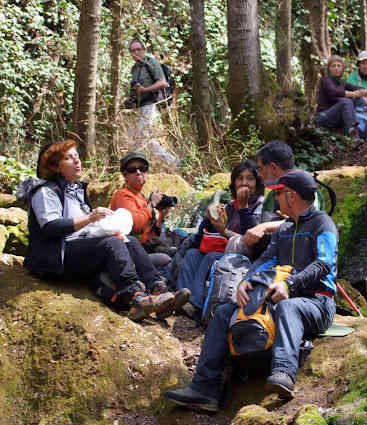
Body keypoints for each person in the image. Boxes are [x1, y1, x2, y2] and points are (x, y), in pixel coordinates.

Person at [164, 170, 338, 411]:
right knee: (224, 312)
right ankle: (205, 389)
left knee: (289, 307)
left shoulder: (323, 223)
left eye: (278, 195)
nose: (275, 200)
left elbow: (323, 264)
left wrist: (290, 284)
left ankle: (284, 373)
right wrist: (246, 280)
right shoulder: (285, 228)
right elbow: (266, 258)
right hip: (276, 296)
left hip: (317, 302)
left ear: (291, 196)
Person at [21, 139, 175, 321]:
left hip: (76, 249)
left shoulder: (75, 190)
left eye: (77, 156)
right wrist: (90, 218)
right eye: (69, 158)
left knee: (129, 241)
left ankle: (158, 290)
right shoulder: (46, 191)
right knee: (112, 243)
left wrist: (102, 223)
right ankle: (135, 298)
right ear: (55, 166)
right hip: (55, 257)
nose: (77, 161)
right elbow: (51, 227)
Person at [175, 161, 265, 316]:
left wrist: (238, 214)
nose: (244, 183)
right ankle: (180, 298)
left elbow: (251, 238)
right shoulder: (229, 206)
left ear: (257, 183)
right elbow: (201, 237)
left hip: (245, 257)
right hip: (222, 249)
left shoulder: (260, 205)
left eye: (250, 178)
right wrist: (208, 220)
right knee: (192, 255)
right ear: (234, 182)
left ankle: (194, 304)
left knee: (211, 257)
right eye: (240, 178)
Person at [225, 140, 324, 259]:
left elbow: (309, 221)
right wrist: (243, 208)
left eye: (261, 169)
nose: (259, 175)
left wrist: (265, 226)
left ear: (273, 167)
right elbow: (256, 238)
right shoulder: (272, 196)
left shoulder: (306, 187)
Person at [125, 39, 178, 166]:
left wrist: (145, 90)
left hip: (151, 105)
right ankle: (146, 165)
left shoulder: (151, 62)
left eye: (138, 49)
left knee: (143, 138)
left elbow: (162, 82)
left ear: (144, 50)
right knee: (138, 137)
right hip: (140, 107)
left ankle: (173, 162)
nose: (136, 52)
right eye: (133, 50)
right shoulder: (134, 68)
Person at [314, 55, 367, 137]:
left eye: (339, 66)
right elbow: (333, 92)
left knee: (358, 100)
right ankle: (352, 134)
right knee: (346, 101)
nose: (336, 68)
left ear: (342, 69)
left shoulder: (342, 82)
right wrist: (352, 94)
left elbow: (358, 88)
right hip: (323, 117)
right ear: (329, 69)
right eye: (333, 66)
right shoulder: (326, 80)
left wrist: (363, 93)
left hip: (335, 117)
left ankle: (364, 127)